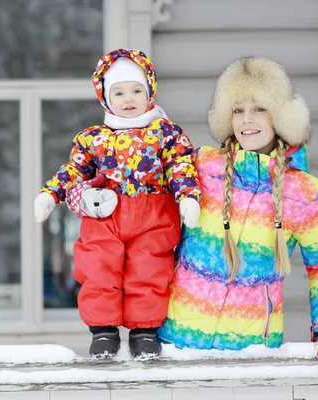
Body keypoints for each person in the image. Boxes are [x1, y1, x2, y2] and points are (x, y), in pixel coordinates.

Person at [153, 56, 318, 378]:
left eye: (259, 108)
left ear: (281, 115)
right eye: (237, 110)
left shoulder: (305, 193)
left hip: (251, 357)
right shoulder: (201, 167)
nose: (247, 120)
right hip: (176, 347)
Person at [34, 48, 202, 360]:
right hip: (106, 216)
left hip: (155, 214)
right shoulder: (93, 138)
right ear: (106, 98)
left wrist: (188, 196)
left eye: (137, 90)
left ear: (149, 91)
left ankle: (144, 331)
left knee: (149, 269)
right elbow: (74, 170)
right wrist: (50, 193)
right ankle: (103, 331)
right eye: (119, 92)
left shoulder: (166, 133)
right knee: (99, 268)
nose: (129, 98)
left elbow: (181, 166)